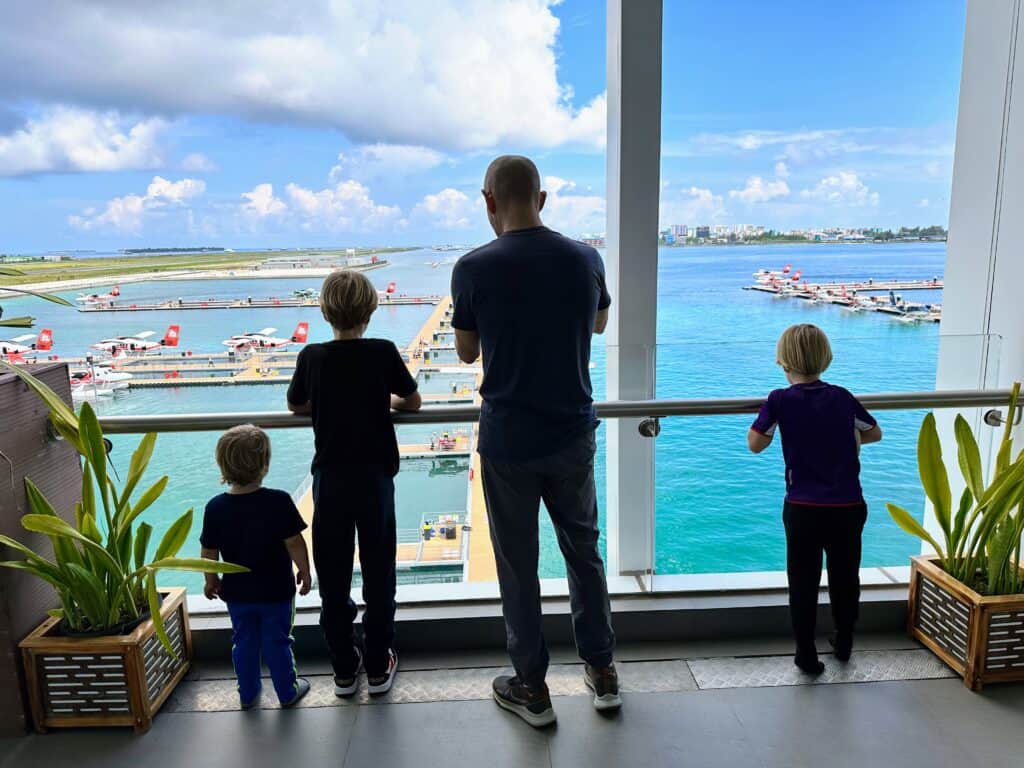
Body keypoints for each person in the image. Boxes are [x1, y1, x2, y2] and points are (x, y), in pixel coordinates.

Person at [451, 155, 618, 728]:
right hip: (573, 433)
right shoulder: (585, 258)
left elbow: (467, 352)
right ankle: (602, 672)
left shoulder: (473, 268)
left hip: (507, 440)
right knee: (584, 554)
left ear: (489, 201)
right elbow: (597, 324)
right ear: (542, 199)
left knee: (518, 566)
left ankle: (532, 687)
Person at [287, 269, 422, 697]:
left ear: (325, 311)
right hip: (376, 478)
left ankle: (344, 668)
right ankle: (380, 663)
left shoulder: (312, 356)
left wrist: (329, 405)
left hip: (330, 479)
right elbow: (413, 401)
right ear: (370, 309)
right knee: (380, 572)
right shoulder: (381, 352)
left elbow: (295, 406)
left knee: (333, 574)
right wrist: (383, 401)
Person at [747, 324, 883, 674]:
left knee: (803, 580)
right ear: (826, 358)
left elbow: (756, 443)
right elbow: (874, 433)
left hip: (803, 507)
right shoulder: (841, 396)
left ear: (781, 362)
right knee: (845, 576)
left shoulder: (779, 399)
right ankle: (845, 639)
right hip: (848, 505)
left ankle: (805, 652)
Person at [200, 424, 312, 709]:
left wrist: (210, 579)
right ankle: (287, 691)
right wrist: (305, 570)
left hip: (237, 593)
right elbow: (295, 542)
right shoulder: (279, 501)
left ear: (222, 464)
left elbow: (208, 551)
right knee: (278, 641)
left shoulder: (215, 508)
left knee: (244, 642)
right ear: (264, 464)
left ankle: (248, 694)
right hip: (276, 591)